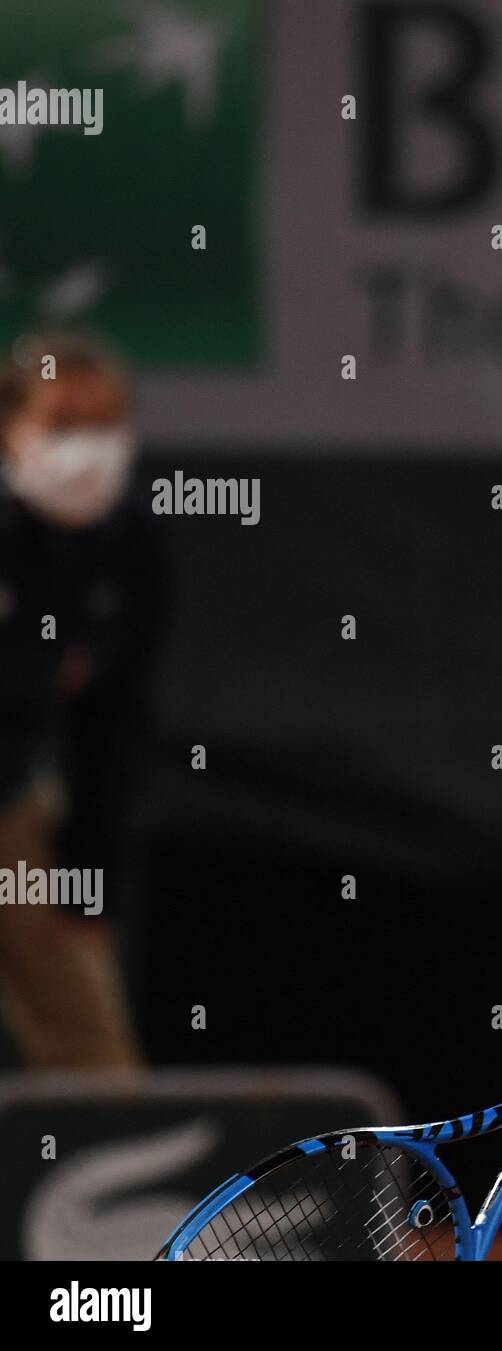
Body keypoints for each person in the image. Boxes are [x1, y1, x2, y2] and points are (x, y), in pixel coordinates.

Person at [0, 331, 165, 1068]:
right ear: (9, 429)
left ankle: (110, 1165)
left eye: (103, 427)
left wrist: (90, 884)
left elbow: (113, 725)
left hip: (13, 799)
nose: (85, 449)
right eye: (62, 426)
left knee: (92, 1049)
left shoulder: (130, 545)